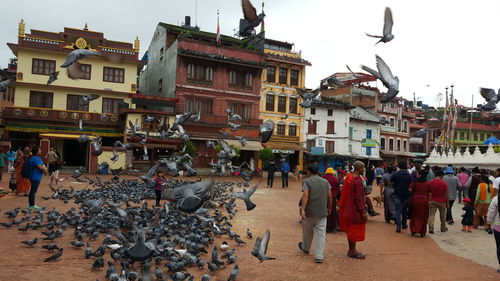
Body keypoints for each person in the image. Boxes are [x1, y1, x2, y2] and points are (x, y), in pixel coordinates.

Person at [298, 163, 332, 264]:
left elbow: (305, 195)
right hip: (322, 212)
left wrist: (302, 209)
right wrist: (329, 208)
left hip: (309, 211)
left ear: (308, 171)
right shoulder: (326, 182)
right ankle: (319, 256)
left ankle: (306, 248)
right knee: (321, 234)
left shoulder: (307, 182)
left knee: (307, 232)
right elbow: (330, 196)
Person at [339, 161, 368, 259]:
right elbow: (358, 198)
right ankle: (352, 251)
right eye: (363, 168)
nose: (364, 170)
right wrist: (363, 211)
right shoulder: (357, 180)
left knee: (350, 229)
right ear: (359, 168)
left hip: (348, 206)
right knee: (354, 229)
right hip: (354, 208)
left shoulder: (350, 177)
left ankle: (351, 250)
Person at [390, 161, 412, 233]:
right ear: (406, 166)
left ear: (399, 166)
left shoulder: (395, 174)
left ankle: (398, 226)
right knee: (404, 210)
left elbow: (391, 182)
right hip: (406, 195)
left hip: (397, 194)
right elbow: (410, 184)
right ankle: (404, 224)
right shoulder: (408, 175)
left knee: (398, 211)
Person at [409, 169, 430, 237]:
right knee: (423, 216)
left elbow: (410, 190)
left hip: (415, 200)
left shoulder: (414, 182)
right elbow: (429, 193)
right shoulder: (427, 183)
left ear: (420, 174)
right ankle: (422, 231)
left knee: (414, 215)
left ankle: (414, 230)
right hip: (424, 200)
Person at [486, 192, 500, 273]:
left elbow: (491, 212)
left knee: (499, 247)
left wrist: (488, 222)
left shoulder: (496, 199)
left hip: (498, 226)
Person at [323, 167, 340, 232]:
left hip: (323, 197)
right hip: (332, 197)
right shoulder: (334, 178)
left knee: (323, 211)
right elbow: (337, 189)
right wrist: (336, 196)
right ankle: (331, 227)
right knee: (332, 212)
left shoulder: (323, 178)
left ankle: (324, 226)